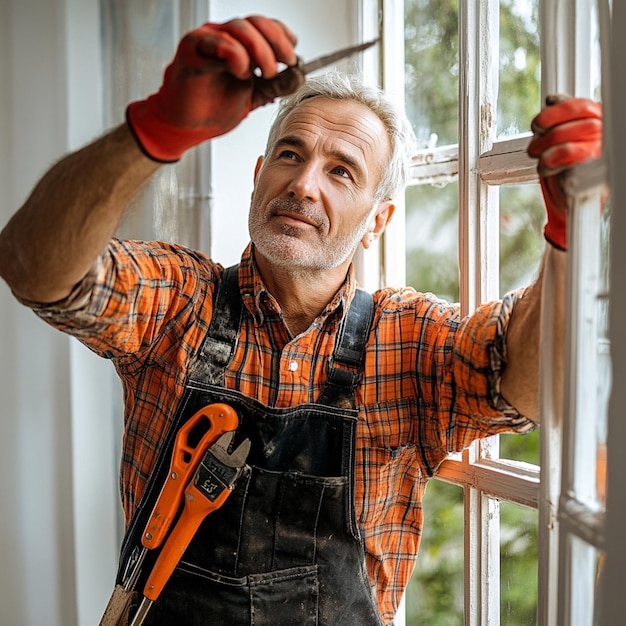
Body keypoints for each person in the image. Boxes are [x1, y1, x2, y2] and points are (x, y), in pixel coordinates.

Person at [0, 15, 602, 626]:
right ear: (260, 177)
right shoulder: (178, 301)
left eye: (342, 171)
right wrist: (156, 128)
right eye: (290, 154)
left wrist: (567, 234)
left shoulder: (407, 343)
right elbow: (33, 265)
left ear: (378, 220)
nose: (304, 184)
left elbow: (529, 381)